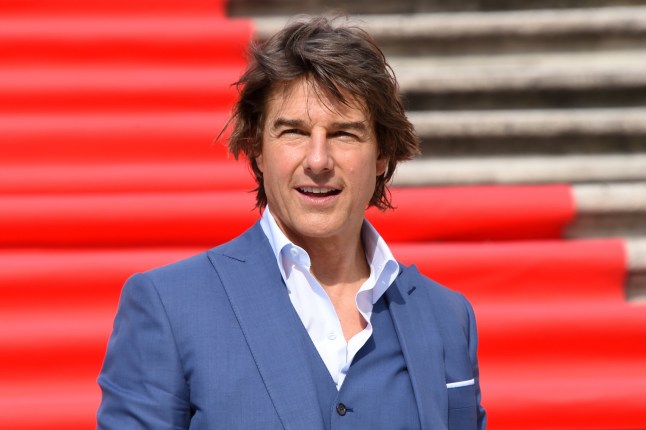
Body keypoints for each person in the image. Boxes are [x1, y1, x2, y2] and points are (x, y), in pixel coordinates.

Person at [97, 15, 486, 429]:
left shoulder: (447, 316)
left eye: (343, 134)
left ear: (383, 156)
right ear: (258, 151)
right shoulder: (168, 305)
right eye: (294, 132)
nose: (318, 161)